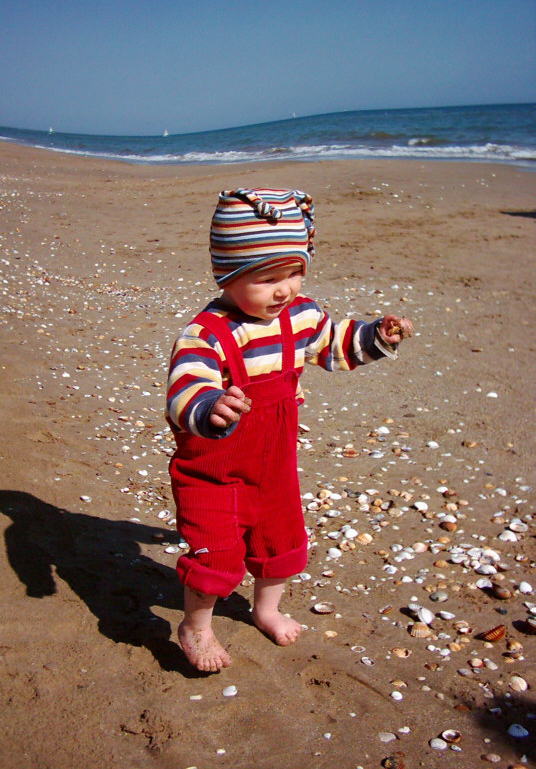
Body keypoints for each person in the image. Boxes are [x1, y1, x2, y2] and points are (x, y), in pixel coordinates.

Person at [165, 187, 412, 672]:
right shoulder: (208, 333)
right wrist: (209, 406)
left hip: (274, 461)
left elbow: (333, 343)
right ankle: (196, 625)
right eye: (268, 279)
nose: (285, 290)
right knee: (215, 549)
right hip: (214, 468)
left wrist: (373, 336)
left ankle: (266, 609)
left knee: (279, 537)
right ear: (228, 274)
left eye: (295, 273)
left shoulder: (300, 316)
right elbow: (185, 386)